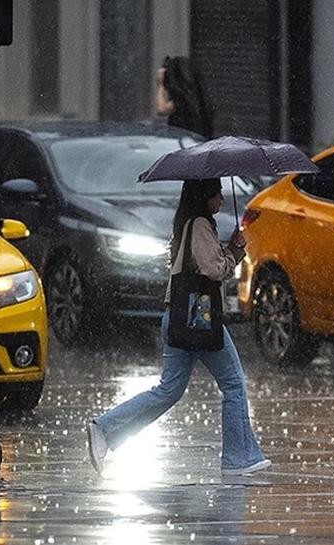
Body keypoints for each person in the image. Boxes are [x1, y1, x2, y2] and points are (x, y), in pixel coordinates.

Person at [86, 179, 270, 477]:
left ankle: (105, 429)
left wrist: (230, 250)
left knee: (169, 389)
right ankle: (238, 458)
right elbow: (212, 269)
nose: (222, 198)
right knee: (233, 383)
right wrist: (234, 252)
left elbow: (204, 263)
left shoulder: (190, 223)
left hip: (179, 315)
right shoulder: (199, 224)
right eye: (217, 193)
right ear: (205, 196)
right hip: (198, 315)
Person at [155, 56, 214, 139]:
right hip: (198, 139)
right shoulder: (198, 94)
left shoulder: (182, 97)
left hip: (182, 141)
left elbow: (161, 109)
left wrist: (160, 84)